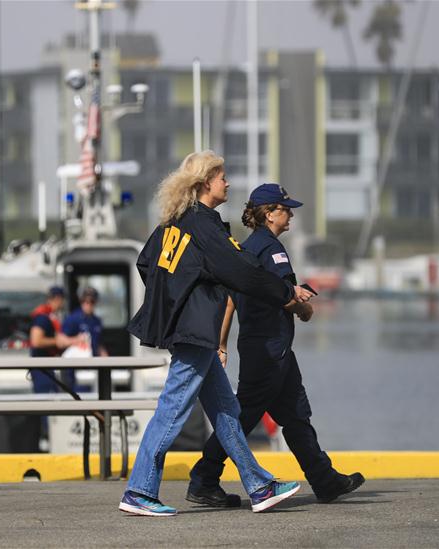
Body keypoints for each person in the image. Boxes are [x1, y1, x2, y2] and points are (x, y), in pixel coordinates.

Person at [121, 150, 314, 516]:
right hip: (194, 332)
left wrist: (178, 297)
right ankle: (139, 490)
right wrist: (286, 293)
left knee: (227, 411)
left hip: (195, 331)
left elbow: (146, 263)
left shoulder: (175, 222)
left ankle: (259, 486)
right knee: (172, 410)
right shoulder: (204, 225)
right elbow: (242, 272)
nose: (227, 183)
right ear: (205, 182)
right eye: (222, 177)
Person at [188, 183, 364, 507]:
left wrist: (222, 343)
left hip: (259, 346)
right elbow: (285, 298)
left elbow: (229, 302)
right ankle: (203, 478)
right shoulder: (272, 250)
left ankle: (324, 480)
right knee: (243, 417)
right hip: (271, 349)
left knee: (296, 415)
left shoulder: (243, 250)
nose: (291, 215)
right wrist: (305, 308)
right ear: (269, 214)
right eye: (285, 209)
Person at [28, 285, 70, 393]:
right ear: (57, 299)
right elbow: (36, 341)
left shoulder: (52, 316)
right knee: (45, 400)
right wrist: (57, 341)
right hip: (41, 367)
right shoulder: (43, 317)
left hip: (47, 366)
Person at [58, 286, 108, 361]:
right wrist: (76, 340)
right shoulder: (73, 318)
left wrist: (106, 358)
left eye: (92, 301)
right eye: (84, 301)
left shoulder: (97, 321)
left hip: (92, 363)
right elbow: (60, 342)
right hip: (75, 364)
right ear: (81, 301)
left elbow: (98, 344)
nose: (88, 304)